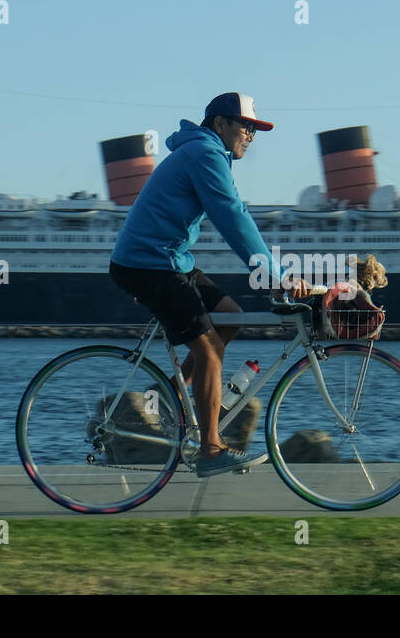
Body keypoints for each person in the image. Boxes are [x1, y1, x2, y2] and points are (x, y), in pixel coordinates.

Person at [109, 92, 310, 477]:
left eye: (256, 130)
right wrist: (277, 276)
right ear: (220, 124)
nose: (251, 135)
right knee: (210, 350)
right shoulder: (205, 153)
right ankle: (211, 451)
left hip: (170, 261)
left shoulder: (205, 153)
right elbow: (231, 217)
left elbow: (238, 211)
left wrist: (272, 272)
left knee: (229, 317)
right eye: (246, 126)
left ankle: (170, 396)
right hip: (148, 265)